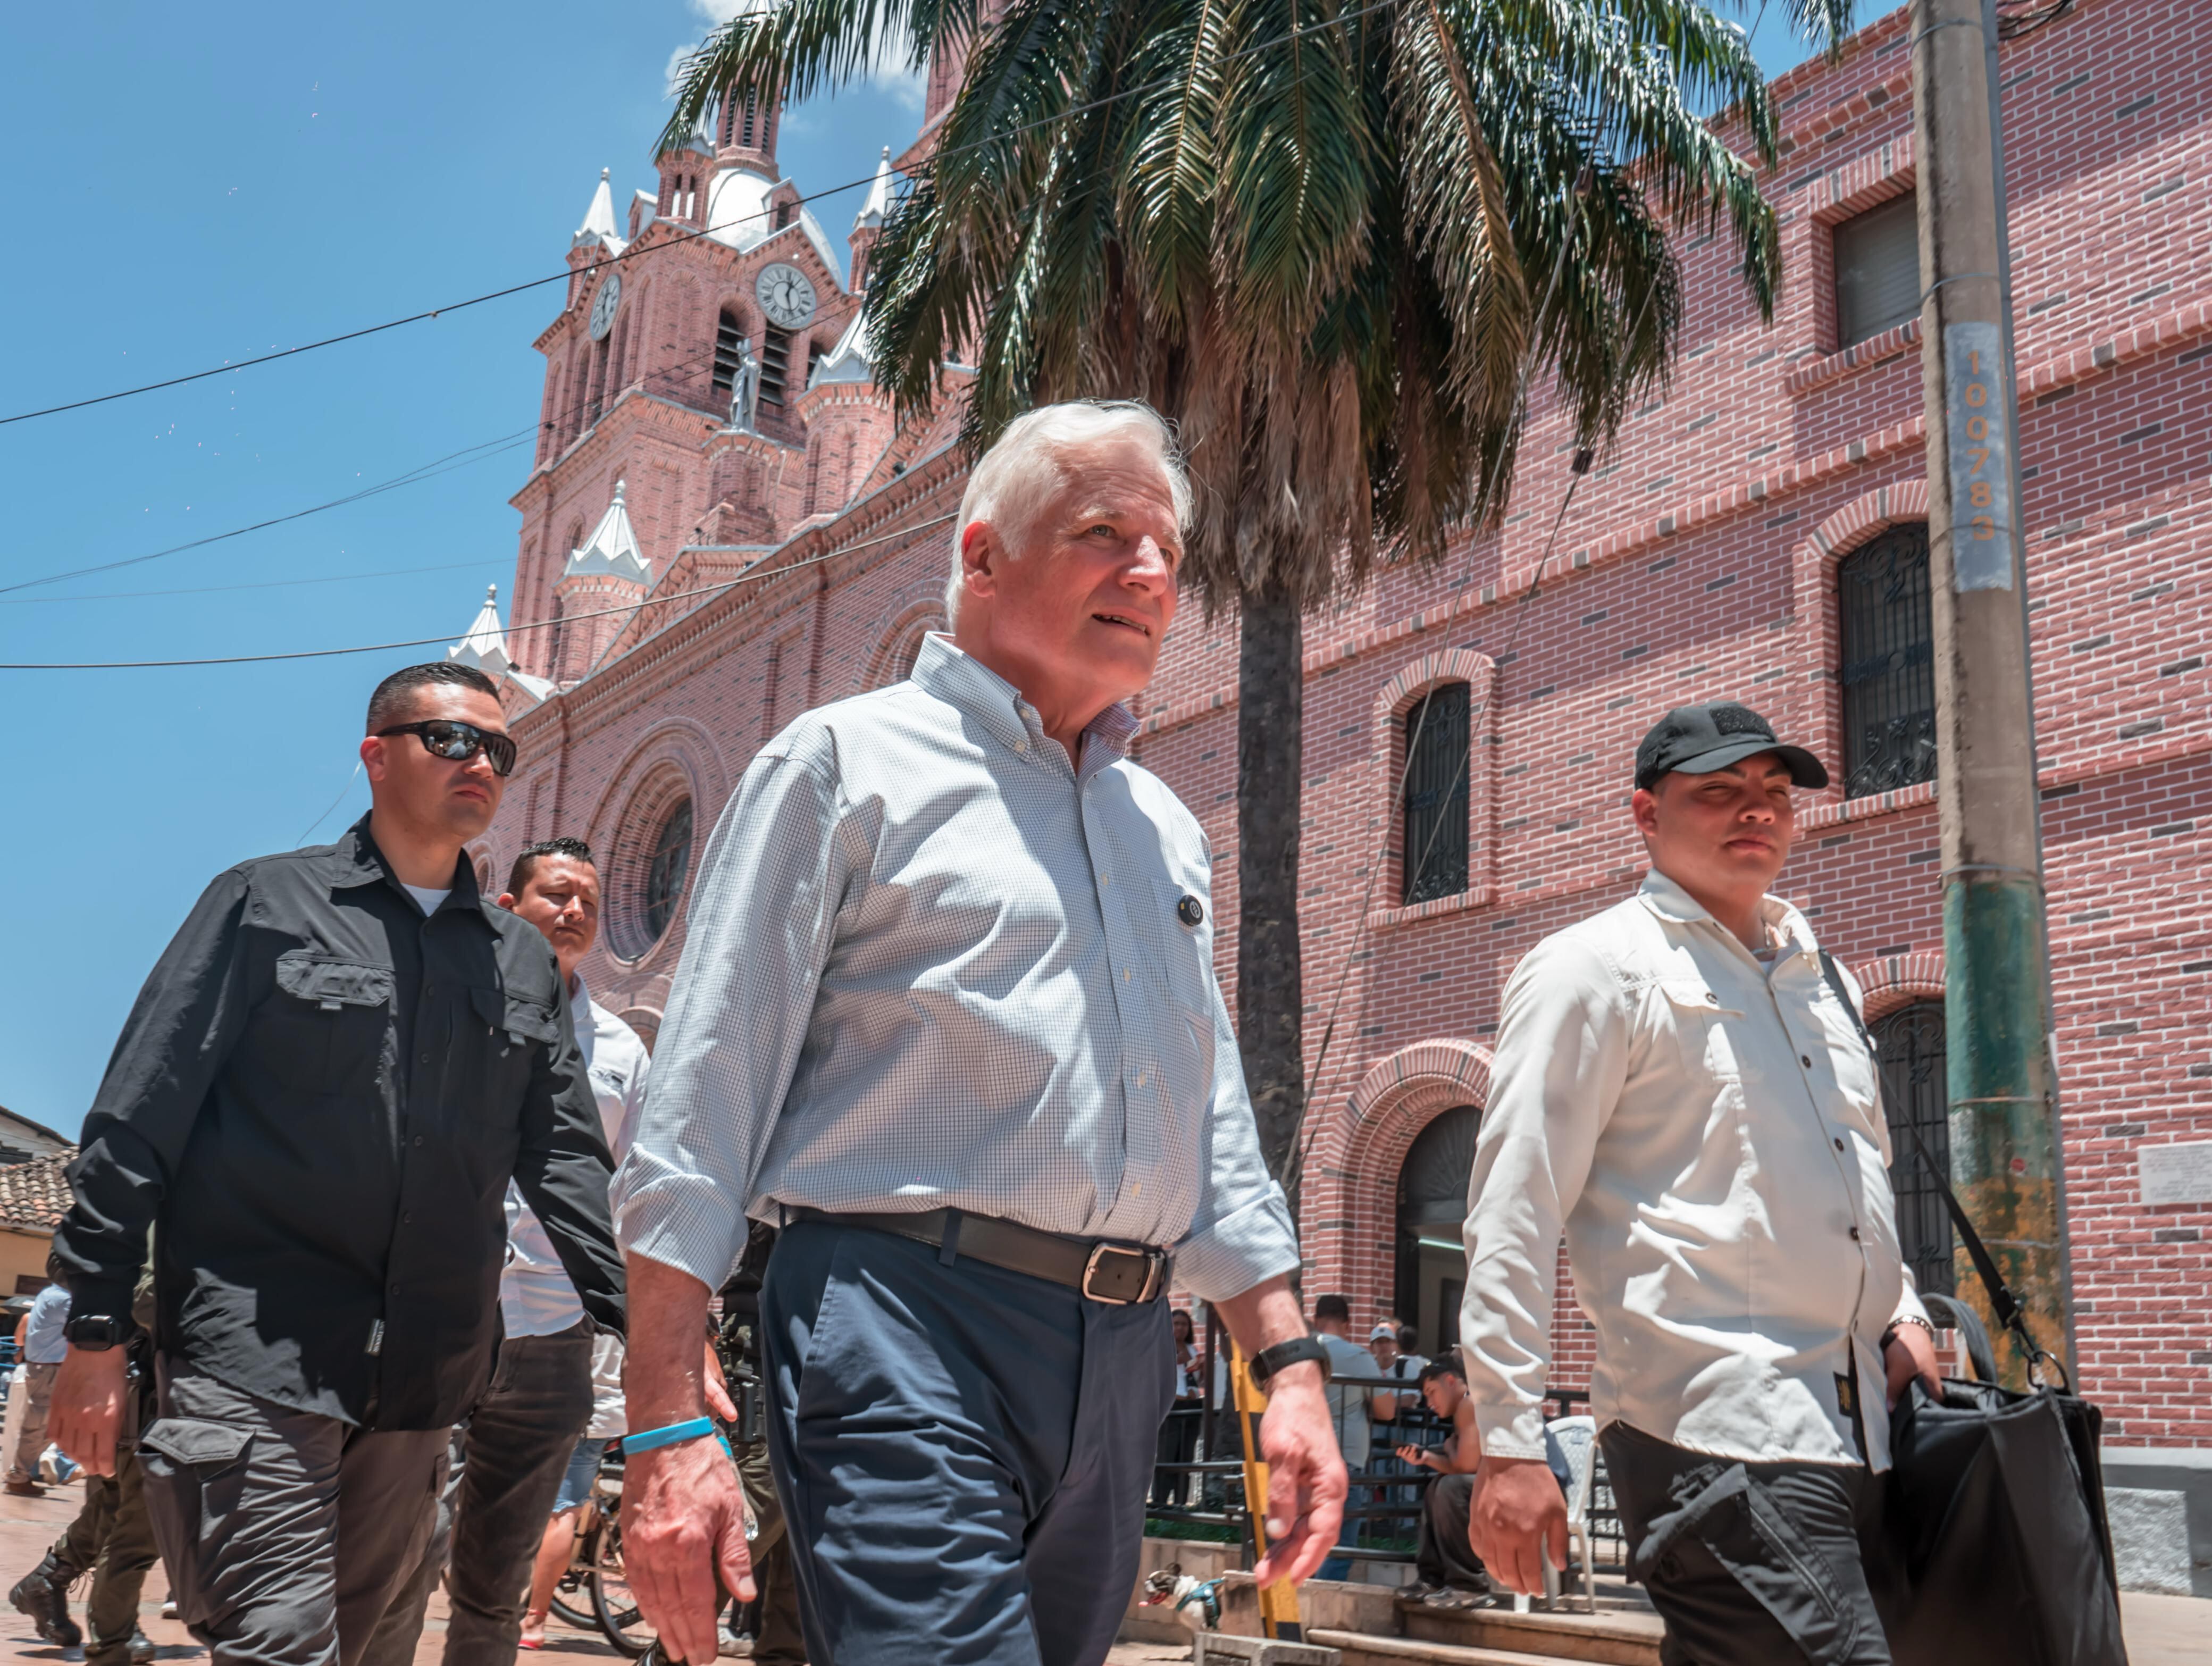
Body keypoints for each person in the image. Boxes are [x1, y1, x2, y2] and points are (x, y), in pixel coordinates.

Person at [611, 399, 1346, 1666]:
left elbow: (1205, 1113)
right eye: (1103, 532)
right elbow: (702, 1102)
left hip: (1125, 1353)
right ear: (981, 553)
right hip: (899, 1313)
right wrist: (664, 1422)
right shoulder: (842, 763)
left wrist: (1287, 1365)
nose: (1152, 571)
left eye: (1167, 546)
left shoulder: (1160, 825)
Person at [45, 660, 628, 1666]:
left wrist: (654, 1327)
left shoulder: (517, 959)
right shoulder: (263, 904)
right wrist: (95, 1326)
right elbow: (138, 1120)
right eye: (450, 738)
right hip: (254, 1355)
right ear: (376, 755)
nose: (479, 761)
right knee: (281, 1643)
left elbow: (568, 1156)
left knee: (362, 1650)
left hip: (422, 1382)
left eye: (498, 747)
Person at [1462, 702, 1943, 1665]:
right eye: (1719, 793)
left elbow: (1864, 1172)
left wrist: (1904, 1312)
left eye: (1774, 794)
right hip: (1718, 1428)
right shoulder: (1593, 969)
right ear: (1647, 815)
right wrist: (1510, 1441)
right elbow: (1515, 1205)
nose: (1755, 812)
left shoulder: (1824, 978)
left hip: (1865, 1435)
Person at [360, 836, 659, 1666]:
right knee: (396, 1557)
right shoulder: (452, 1012)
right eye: (556, 896)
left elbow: (626, 1196)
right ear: (509, 908)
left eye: (589, 904)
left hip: (554, 1336)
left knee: (497, 1579)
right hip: (439, 1316)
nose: (574, 913)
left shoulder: (623, 1052)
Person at [7, 1270, 160, 1663]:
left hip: (145, 1376)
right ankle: (116, 1630)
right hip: (143, 1377)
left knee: (116, 1503)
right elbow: (74, 1261)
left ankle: (48, 1580)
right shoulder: (144, 1221)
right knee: (145, 1516)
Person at [519, 1329, 626, 1650]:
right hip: (611, 1414)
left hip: (564, 1409)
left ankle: (534, 1621)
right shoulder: (628, 1296)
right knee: (574, 1501)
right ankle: (583, 1542)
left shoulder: (573, 1289)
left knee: (560, 1509)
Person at [5, 1279, 69, 1495]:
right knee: (38, 1425)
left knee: (49, 1425)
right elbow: (82, 1332)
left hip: (43, 1368)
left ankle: (25, 1471)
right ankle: (19, 1476)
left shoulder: (49, 1293)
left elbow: (19, 1341)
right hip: (50, 1370)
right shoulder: (65, 1299)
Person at [1150, 1307, 1204, 1508]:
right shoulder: (1162, 1348)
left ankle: (1181, 1503)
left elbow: (1195, 1378)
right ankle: (1161, 1503)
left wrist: (1200, 1376)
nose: (1181, 1328)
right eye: (1176, 1324)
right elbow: (1157, 1376)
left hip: (1191, 1406)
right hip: (1171, 1407)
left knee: (1185, 1457)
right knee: (1167, 1455)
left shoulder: (1192, 1350)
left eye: (1184, 1324)